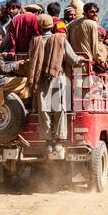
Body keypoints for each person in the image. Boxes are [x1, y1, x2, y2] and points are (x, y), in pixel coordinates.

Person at [27, 14, 82, 142]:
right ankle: (59, 139)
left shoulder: (35, 41)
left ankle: (47, 140)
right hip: (58, 77)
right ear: (52, 26)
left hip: (41, 79)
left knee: (44, 109)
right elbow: (73, 59)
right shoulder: (60, 40)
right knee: (59, 108)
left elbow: (32, 57)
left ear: (39, 27)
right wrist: (80, 59)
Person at [8, 4, 41, 72]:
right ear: (36, 12)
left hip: (18, 55)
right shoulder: (34, 18)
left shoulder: (15, 19)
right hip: (31, 54)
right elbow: (36, 36)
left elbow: (12, 38)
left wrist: (12, 51)